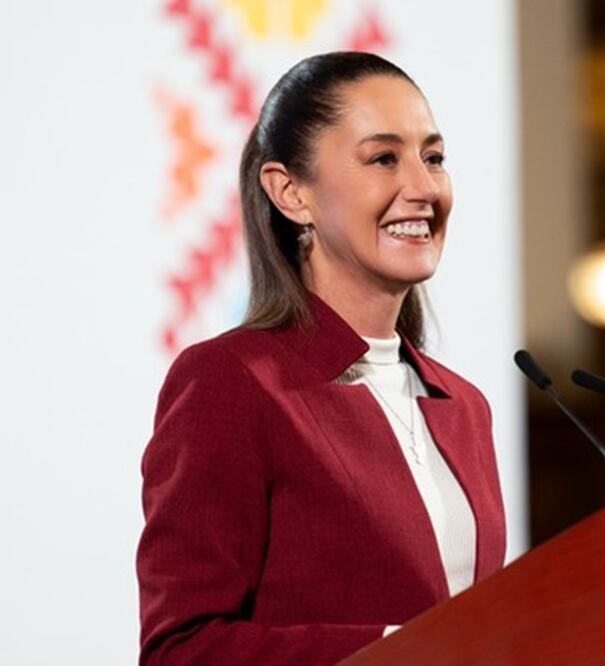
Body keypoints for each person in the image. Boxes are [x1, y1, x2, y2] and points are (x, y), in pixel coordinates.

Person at [136, 52, 506, 665]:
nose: (423, 188)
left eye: (433, 158)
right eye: (384, 158)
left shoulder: (464, 407)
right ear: (290, 193)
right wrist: (395, 654)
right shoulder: (232, 383)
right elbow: (182, 649)